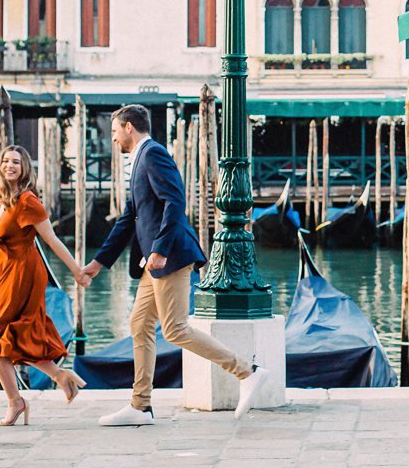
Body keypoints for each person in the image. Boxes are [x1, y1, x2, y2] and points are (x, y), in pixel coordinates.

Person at [81, 104, 270, 425]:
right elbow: (131, 216)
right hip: (154, 261)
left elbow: (175, 200)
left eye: (114, 132)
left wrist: (160, 248)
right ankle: (140, 406)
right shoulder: (139, 159)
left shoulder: (152, 154)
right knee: (139, 326)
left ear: (129, 127)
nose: (113, 139)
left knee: (175, 329)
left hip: (169, 256)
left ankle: (247, 371)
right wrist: (98, 263)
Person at [0, 144, 90, 426]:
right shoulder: (3, 200)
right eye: (5, 161)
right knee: (6, 338)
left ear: (25, 167)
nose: (10, 166)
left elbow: (52, 241)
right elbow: (4, 248)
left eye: (16, 161)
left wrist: (77, 271)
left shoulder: (28, 201)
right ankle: (57, 377)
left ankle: (17, 400)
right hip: (9, 276)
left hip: (26, 274)